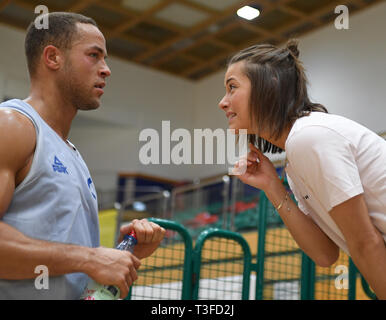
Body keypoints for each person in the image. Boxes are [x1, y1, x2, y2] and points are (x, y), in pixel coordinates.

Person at [0, 12, 165, 299]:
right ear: (53, 58)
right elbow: (80, 258)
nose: (106, 69)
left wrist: (125, 250)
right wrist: (89, 258)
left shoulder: (73, 154)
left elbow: (66, 263)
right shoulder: (13, 126)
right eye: (94, 55)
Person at [219, 39, 386, 299]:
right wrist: (272, 186)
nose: (223, 102)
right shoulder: (297, 154)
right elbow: (324, 254)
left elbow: (366, 243)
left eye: (232, 88)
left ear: (270, 84)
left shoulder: (309, 136)